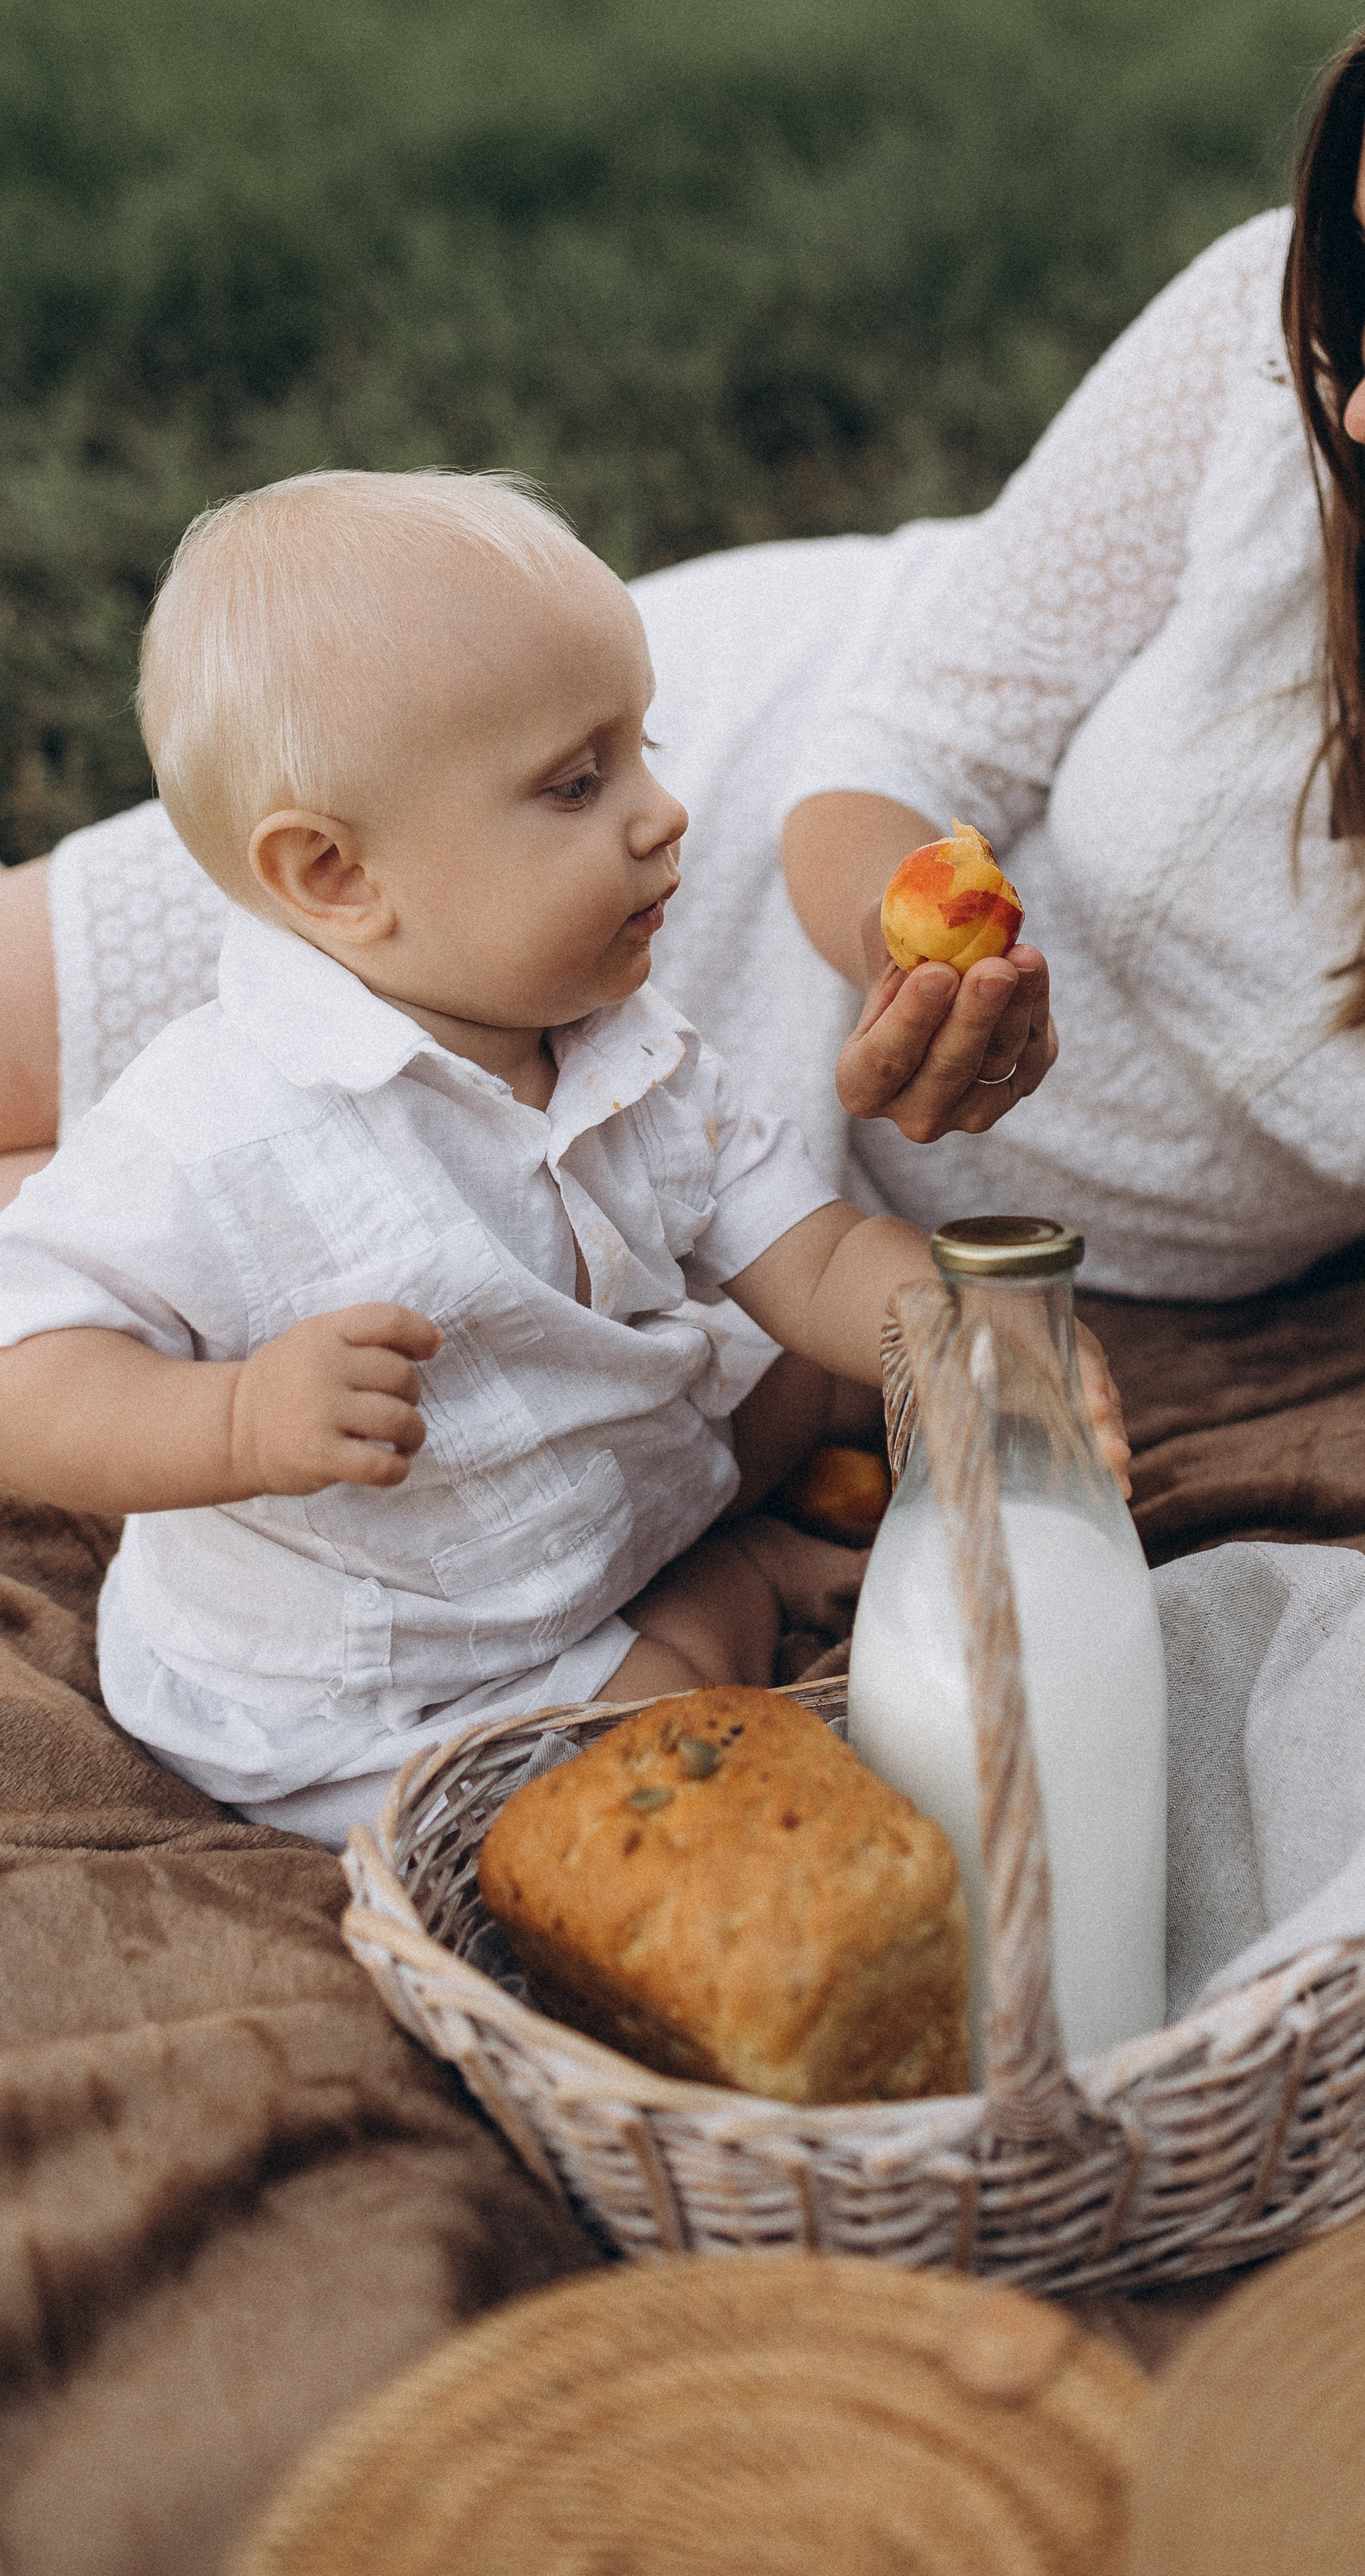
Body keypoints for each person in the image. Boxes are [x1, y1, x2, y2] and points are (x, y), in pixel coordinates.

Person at [2, 0, 1365, 1801]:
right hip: (637, 811)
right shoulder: (1282, 380)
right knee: (89, 1135)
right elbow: (910, 730)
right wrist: (909, 951)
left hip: (805, 1243)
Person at [0, 468, 1130, 1846]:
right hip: (389, 1692)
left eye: (643, 750)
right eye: (579, 783)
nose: (662, 812)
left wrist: (960, 1334)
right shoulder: (214, 1128)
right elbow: (29, 1371)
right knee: (633, 1777)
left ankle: (722, 1528)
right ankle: (747, 1581)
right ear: (339, 880)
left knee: (814, 1356)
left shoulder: (627, 1045)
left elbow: (812, 1250)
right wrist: (236, 1420)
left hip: (596, 1497)